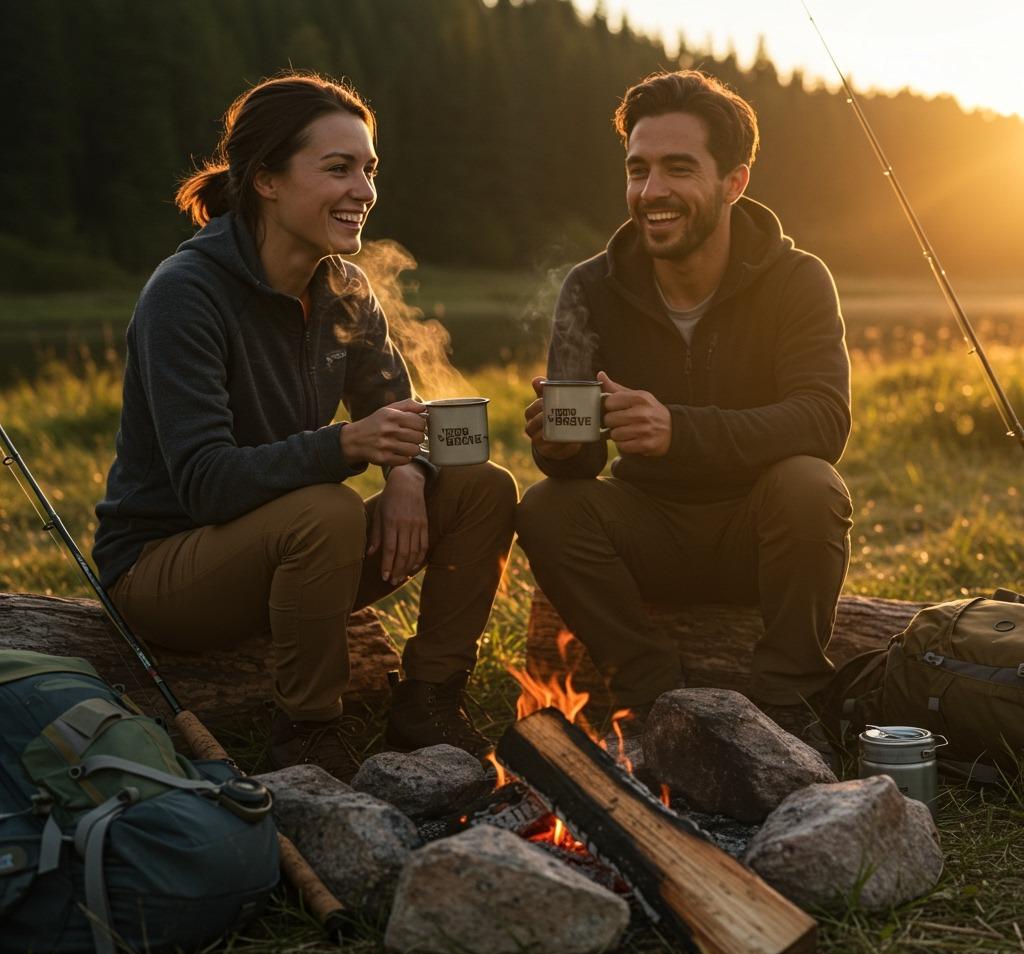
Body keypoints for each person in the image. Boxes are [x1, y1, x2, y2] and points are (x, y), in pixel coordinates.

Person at [93, 73, 517, 780]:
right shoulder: (185, 296)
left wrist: (408, 472)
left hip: (292, 553)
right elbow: (204, 485)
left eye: (369, 170)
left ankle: (429, 701)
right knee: (325, 508)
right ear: (266, 180)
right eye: (338, 169)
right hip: (166, 568)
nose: (364, 191)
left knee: (480, 486)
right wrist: (348, 444)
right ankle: (310, 736)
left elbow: (393, 401)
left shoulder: (344, 287)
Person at [517, 70, 853, 739]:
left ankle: (790, 702)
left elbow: (823, 419)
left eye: (678, 168)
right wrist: (561, 446)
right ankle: (645, 691)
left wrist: (679, 430)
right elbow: (578, 470)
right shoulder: (591, 287)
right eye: (638, 169)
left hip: (760, 532)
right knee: (547, 507)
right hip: (649, 529)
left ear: (735, 181)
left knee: (811, 484)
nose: (652, 192)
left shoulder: (798, 279)